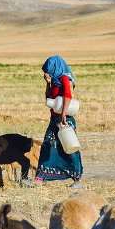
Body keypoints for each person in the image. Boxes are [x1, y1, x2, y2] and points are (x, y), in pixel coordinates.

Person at [23, 55, 83, 188]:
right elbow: (48, 99)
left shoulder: (65, 78)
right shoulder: (55, 80)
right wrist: (48, 83)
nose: (46, 73)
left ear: (55, 68)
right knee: (47, 147)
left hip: (65, 119)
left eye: (48, 70)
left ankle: (77, 179)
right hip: (55, 119)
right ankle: (40, 178)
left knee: (70, 148)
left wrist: (63, 115)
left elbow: (67, 96)